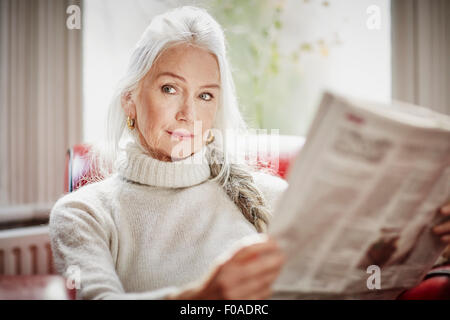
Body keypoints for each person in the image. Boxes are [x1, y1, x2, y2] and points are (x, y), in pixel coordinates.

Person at [49, 6, 450, 300]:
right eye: (170, 89)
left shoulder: (273, 197)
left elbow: (371, 277)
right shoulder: (83, 213)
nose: (189, 113)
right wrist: (202, 299)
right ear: (130, 101)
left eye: (206, 95)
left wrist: (435, 244)